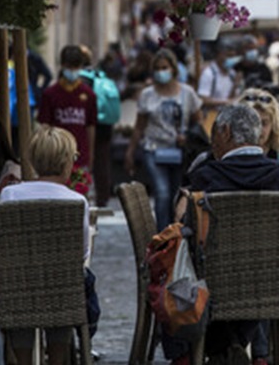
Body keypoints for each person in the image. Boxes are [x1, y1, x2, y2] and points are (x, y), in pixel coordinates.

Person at [161, 104, 279, 365]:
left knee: (186, 274)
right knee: (249, 278)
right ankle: (235, 347)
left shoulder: (207, 177)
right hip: (267, 281)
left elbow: (191, 232)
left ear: (225, 132)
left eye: (214, 134)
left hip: (215, 284)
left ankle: (217, 353)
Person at [0, 126, 94, 365]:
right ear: (67, 161)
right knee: (68, 285)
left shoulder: (11, 196)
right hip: (62, 289)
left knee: (21, 291)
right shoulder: (77, 201)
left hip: (17, 287)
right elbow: (82, 252)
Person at [127, 48, 201, 228]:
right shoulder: (147, 95)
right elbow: (139, 126)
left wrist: (188, 137)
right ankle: (162, 234)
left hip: (179, 150)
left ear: (173, 69)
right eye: (158, 68)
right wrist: (131, 151)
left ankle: (176, 230)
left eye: (165, 67)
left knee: (177, 194)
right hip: (153, 149)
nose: (162, 72)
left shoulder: (187, 93)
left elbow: (197, 123)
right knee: (162, 193)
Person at [37, 45, 98, 174]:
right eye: (69, 67)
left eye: (76, 67)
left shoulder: (89, 95)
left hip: (80, 156)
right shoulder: (50, 94)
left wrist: (91, 155)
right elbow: (44, 126)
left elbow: (90, 126)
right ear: (63, 65)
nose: (72, 71)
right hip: (56, 157)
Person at [80, 44, 122, 207]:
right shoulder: (100, 74)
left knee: (84, 159)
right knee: (102, 161)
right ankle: (103, 196)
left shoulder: (81, 78)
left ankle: (83, 194)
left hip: (89, 123)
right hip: (106, 125)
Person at [197, 41, 240, 109]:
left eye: (233, 56)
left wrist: (235, 85)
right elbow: (203, 99)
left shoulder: (232, 74)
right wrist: (225, 102)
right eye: (228, 55)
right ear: (218, 54)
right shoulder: (209, 73)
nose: (231, 59)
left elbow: (232, 99)